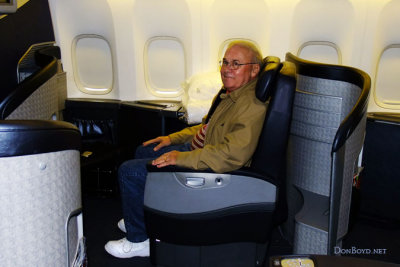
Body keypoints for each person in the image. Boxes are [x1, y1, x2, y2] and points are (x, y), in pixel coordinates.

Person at [105, 40, 268, 258]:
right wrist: (171, 139)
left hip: (216, 171)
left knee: (129, 171)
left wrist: (181, 158)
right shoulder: (231, 95)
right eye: (225, 62)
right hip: (206, 153)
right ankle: (141, 221)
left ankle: (139, 241)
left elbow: (232, 155)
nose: (227, 69)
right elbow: (207, 127)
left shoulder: (251, 106)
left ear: (254, 69)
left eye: (236, 64)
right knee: (145, 151)